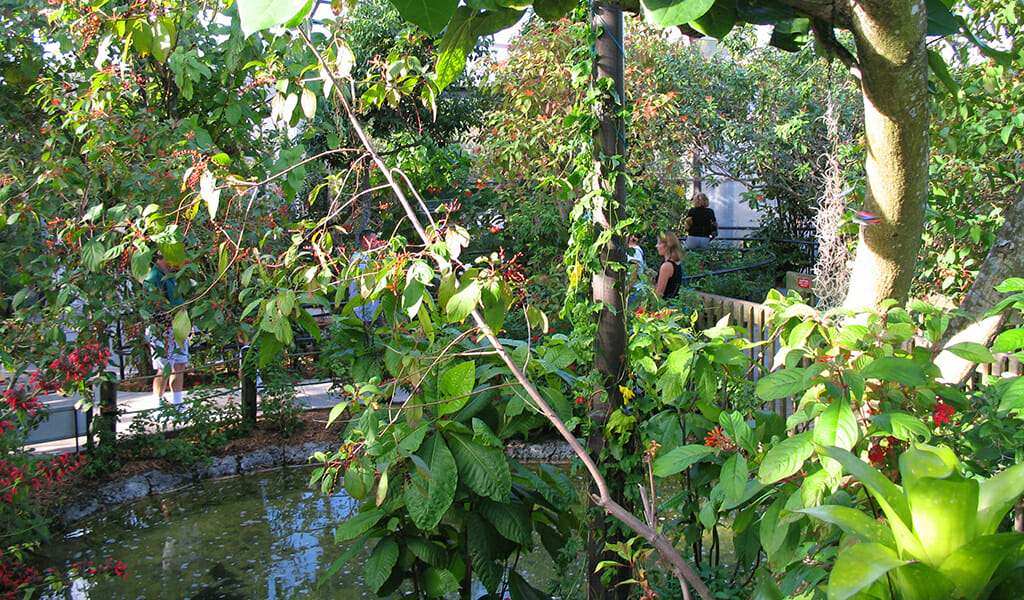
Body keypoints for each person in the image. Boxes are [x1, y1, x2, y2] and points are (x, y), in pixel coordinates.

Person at [144, 251, 189, 406]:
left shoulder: (171, 275)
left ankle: (178, 403)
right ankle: (158, 404)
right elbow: (150, 305)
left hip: (178, 328)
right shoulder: (153, 278)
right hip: (162, 329)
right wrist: (165, 320)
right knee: (164, 367)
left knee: (180, 364)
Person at [348, 229, 381, 324]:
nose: (377, 244)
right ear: (365, 241)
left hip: (373, 308)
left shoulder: (370, 257)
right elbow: (366, 278)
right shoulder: (358, 258)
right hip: (361, 308)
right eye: (374, 241)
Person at [654, 232, 684, 300]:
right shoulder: (677, 262)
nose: (657, 246)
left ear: (667, 246)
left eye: (659, 243)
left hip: (666, 306)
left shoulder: (667, 266)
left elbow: (659, 294)